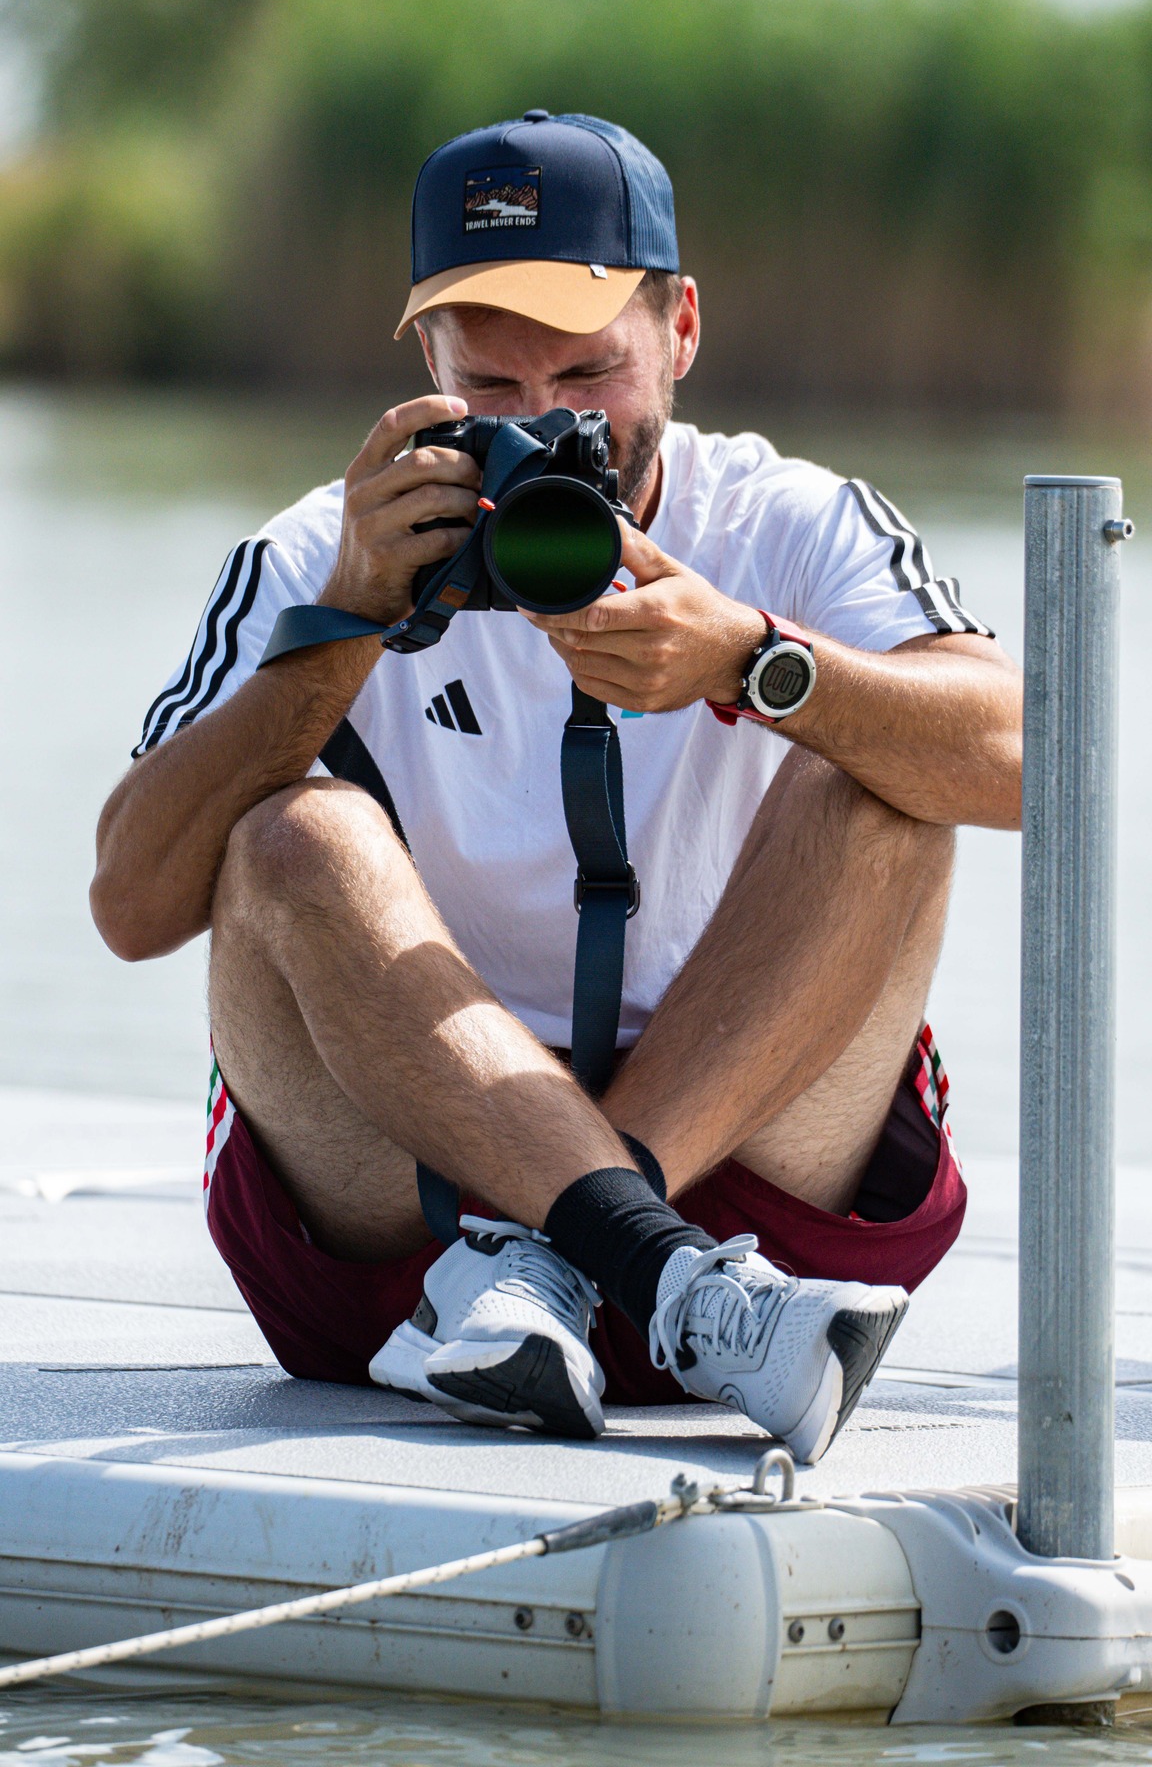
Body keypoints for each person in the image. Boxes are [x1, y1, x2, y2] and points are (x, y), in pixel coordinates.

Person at [91, 111, 1021, 1461]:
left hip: (745, 1205)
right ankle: (634, 1256)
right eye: (498, 394)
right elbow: (131, 901)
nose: (546, 433)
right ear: (427, 361)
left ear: (683, 330)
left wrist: (755, 663)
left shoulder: (794, 521)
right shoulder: (319, 549)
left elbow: (1034, 761)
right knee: (292, 833)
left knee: (876, 787)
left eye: (590, 375)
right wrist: (342, 633)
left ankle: (577, 1258)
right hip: (430, 1242)